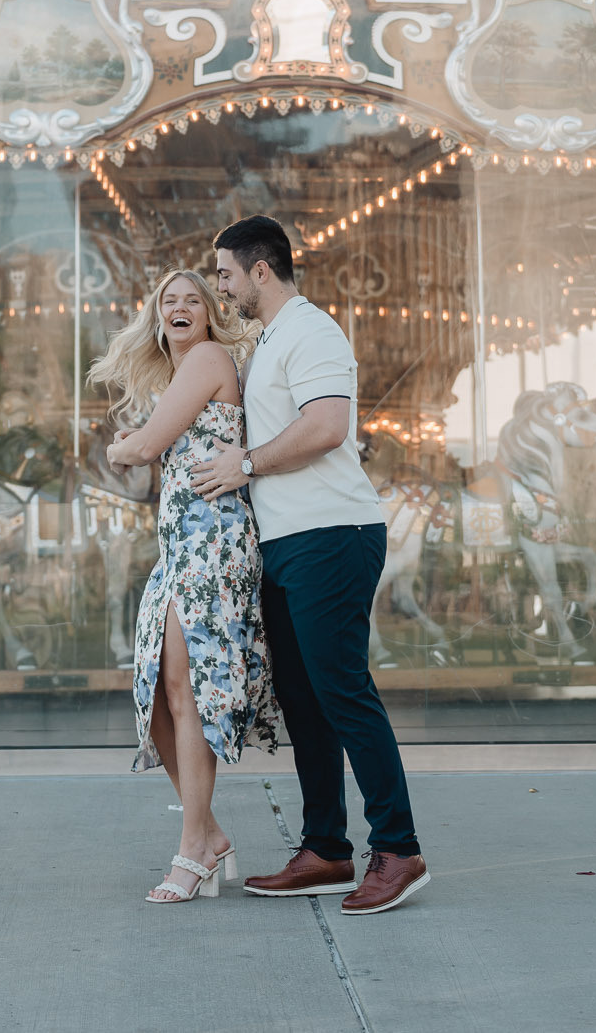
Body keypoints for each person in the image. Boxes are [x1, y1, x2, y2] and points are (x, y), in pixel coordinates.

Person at [196, 215, 430, 916]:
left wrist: (245, 463)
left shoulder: (311, 331)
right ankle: (327, 847)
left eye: (225, 273)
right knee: (305, 700)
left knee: (343, 690)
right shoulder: (270, 341)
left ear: (260, 270)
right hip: (289, 539)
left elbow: (328, 426)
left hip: (332, 532)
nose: (220, 285)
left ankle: (399, 848)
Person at [89, 268, 279, 904]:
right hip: (179, 548)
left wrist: (124, 447)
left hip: (214, 545)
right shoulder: (178, 376)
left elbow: (143, 451)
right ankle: (210, 835)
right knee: (163, 690)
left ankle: (192, 849)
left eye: (192, 298)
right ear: (156, 315)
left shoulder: (206, 358)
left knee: (186, 687)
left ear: (207, 312)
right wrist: (137, 443)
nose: (180, 307)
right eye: (168, 301)